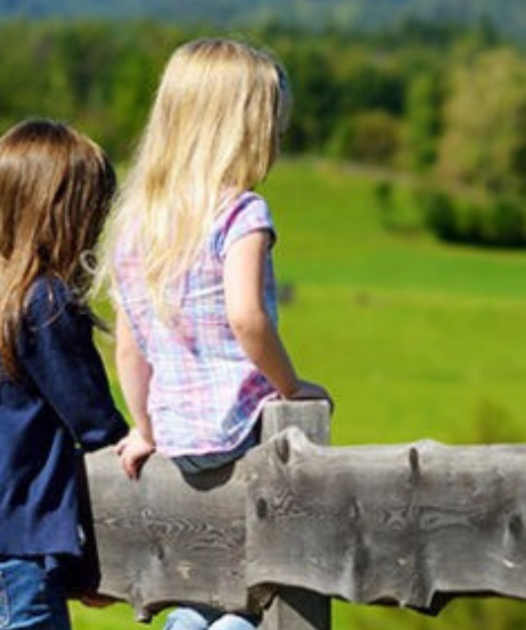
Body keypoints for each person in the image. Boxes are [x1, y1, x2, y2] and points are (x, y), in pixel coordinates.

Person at [96, 39, 332, 630]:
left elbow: (129, 346)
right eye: (273, 125)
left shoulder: (138, 223)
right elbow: (247, 317)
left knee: (203, 581)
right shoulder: (241, 213)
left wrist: (145, 428)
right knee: (268, 579)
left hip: (178, 438)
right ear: (246, 130)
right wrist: (291, 387)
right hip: (239, 426)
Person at [0, 118, 130, 630]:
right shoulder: (45, 303)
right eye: (94, 209)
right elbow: (96, 425)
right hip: (9, 559)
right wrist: (136, 445)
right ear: (64, 215)